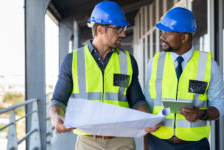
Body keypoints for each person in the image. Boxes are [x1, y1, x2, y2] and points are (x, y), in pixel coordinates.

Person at [49, 1, 159, 150]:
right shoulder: (72, 60)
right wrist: (56, 117)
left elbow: (136, 100)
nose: (123, 33)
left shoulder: (128, 61)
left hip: (123, 141)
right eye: (118, 29)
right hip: (88, 142)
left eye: (124, 28)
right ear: (100, 29)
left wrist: (148, 119)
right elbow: (58, 100)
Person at [144, 7, 224, 150]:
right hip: (158, 143)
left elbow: (220, 104)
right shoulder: (155, 62)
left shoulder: (208, 65)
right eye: (161, 32)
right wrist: (146, 143)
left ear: (184, 37)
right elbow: (147, 103)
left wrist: (202, 113)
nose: (162, 37)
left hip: (195, 145)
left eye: (167, 33)